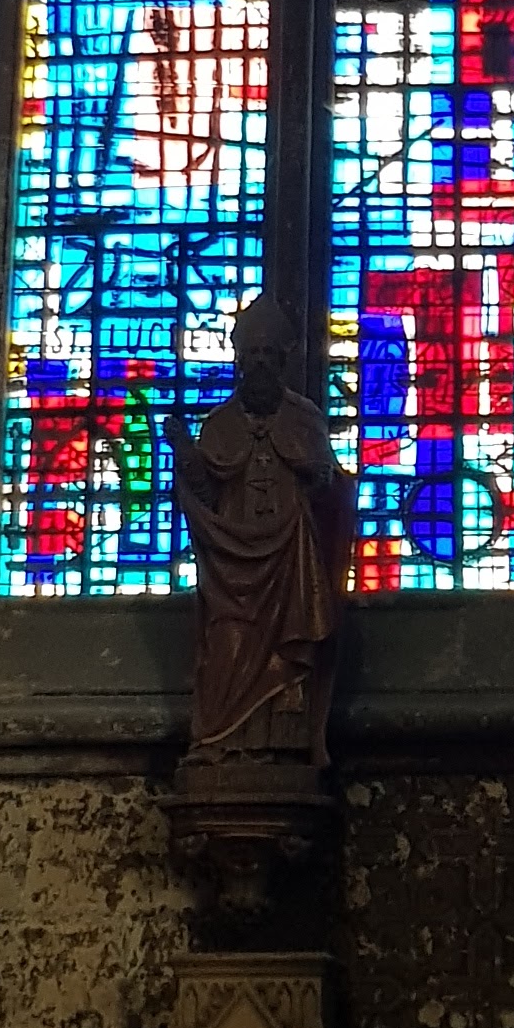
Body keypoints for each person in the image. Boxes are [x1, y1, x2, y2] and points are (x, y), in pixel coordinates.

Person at [166, 297, 354, 768]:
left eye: (270, 353)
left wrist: (316, 472)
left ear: (283, 360)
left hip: (289, 557)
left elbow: (327, 481)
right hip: (233, 563)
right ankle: (220, 743)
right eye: (253, 353)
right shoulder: (220, 424)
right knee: (227, 641)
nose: (261, 363)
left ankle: (283, 749)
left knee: (288, 651)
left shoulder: (304, 417)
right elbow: (206, 494)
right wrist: (186, 453)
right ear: (240, 359)